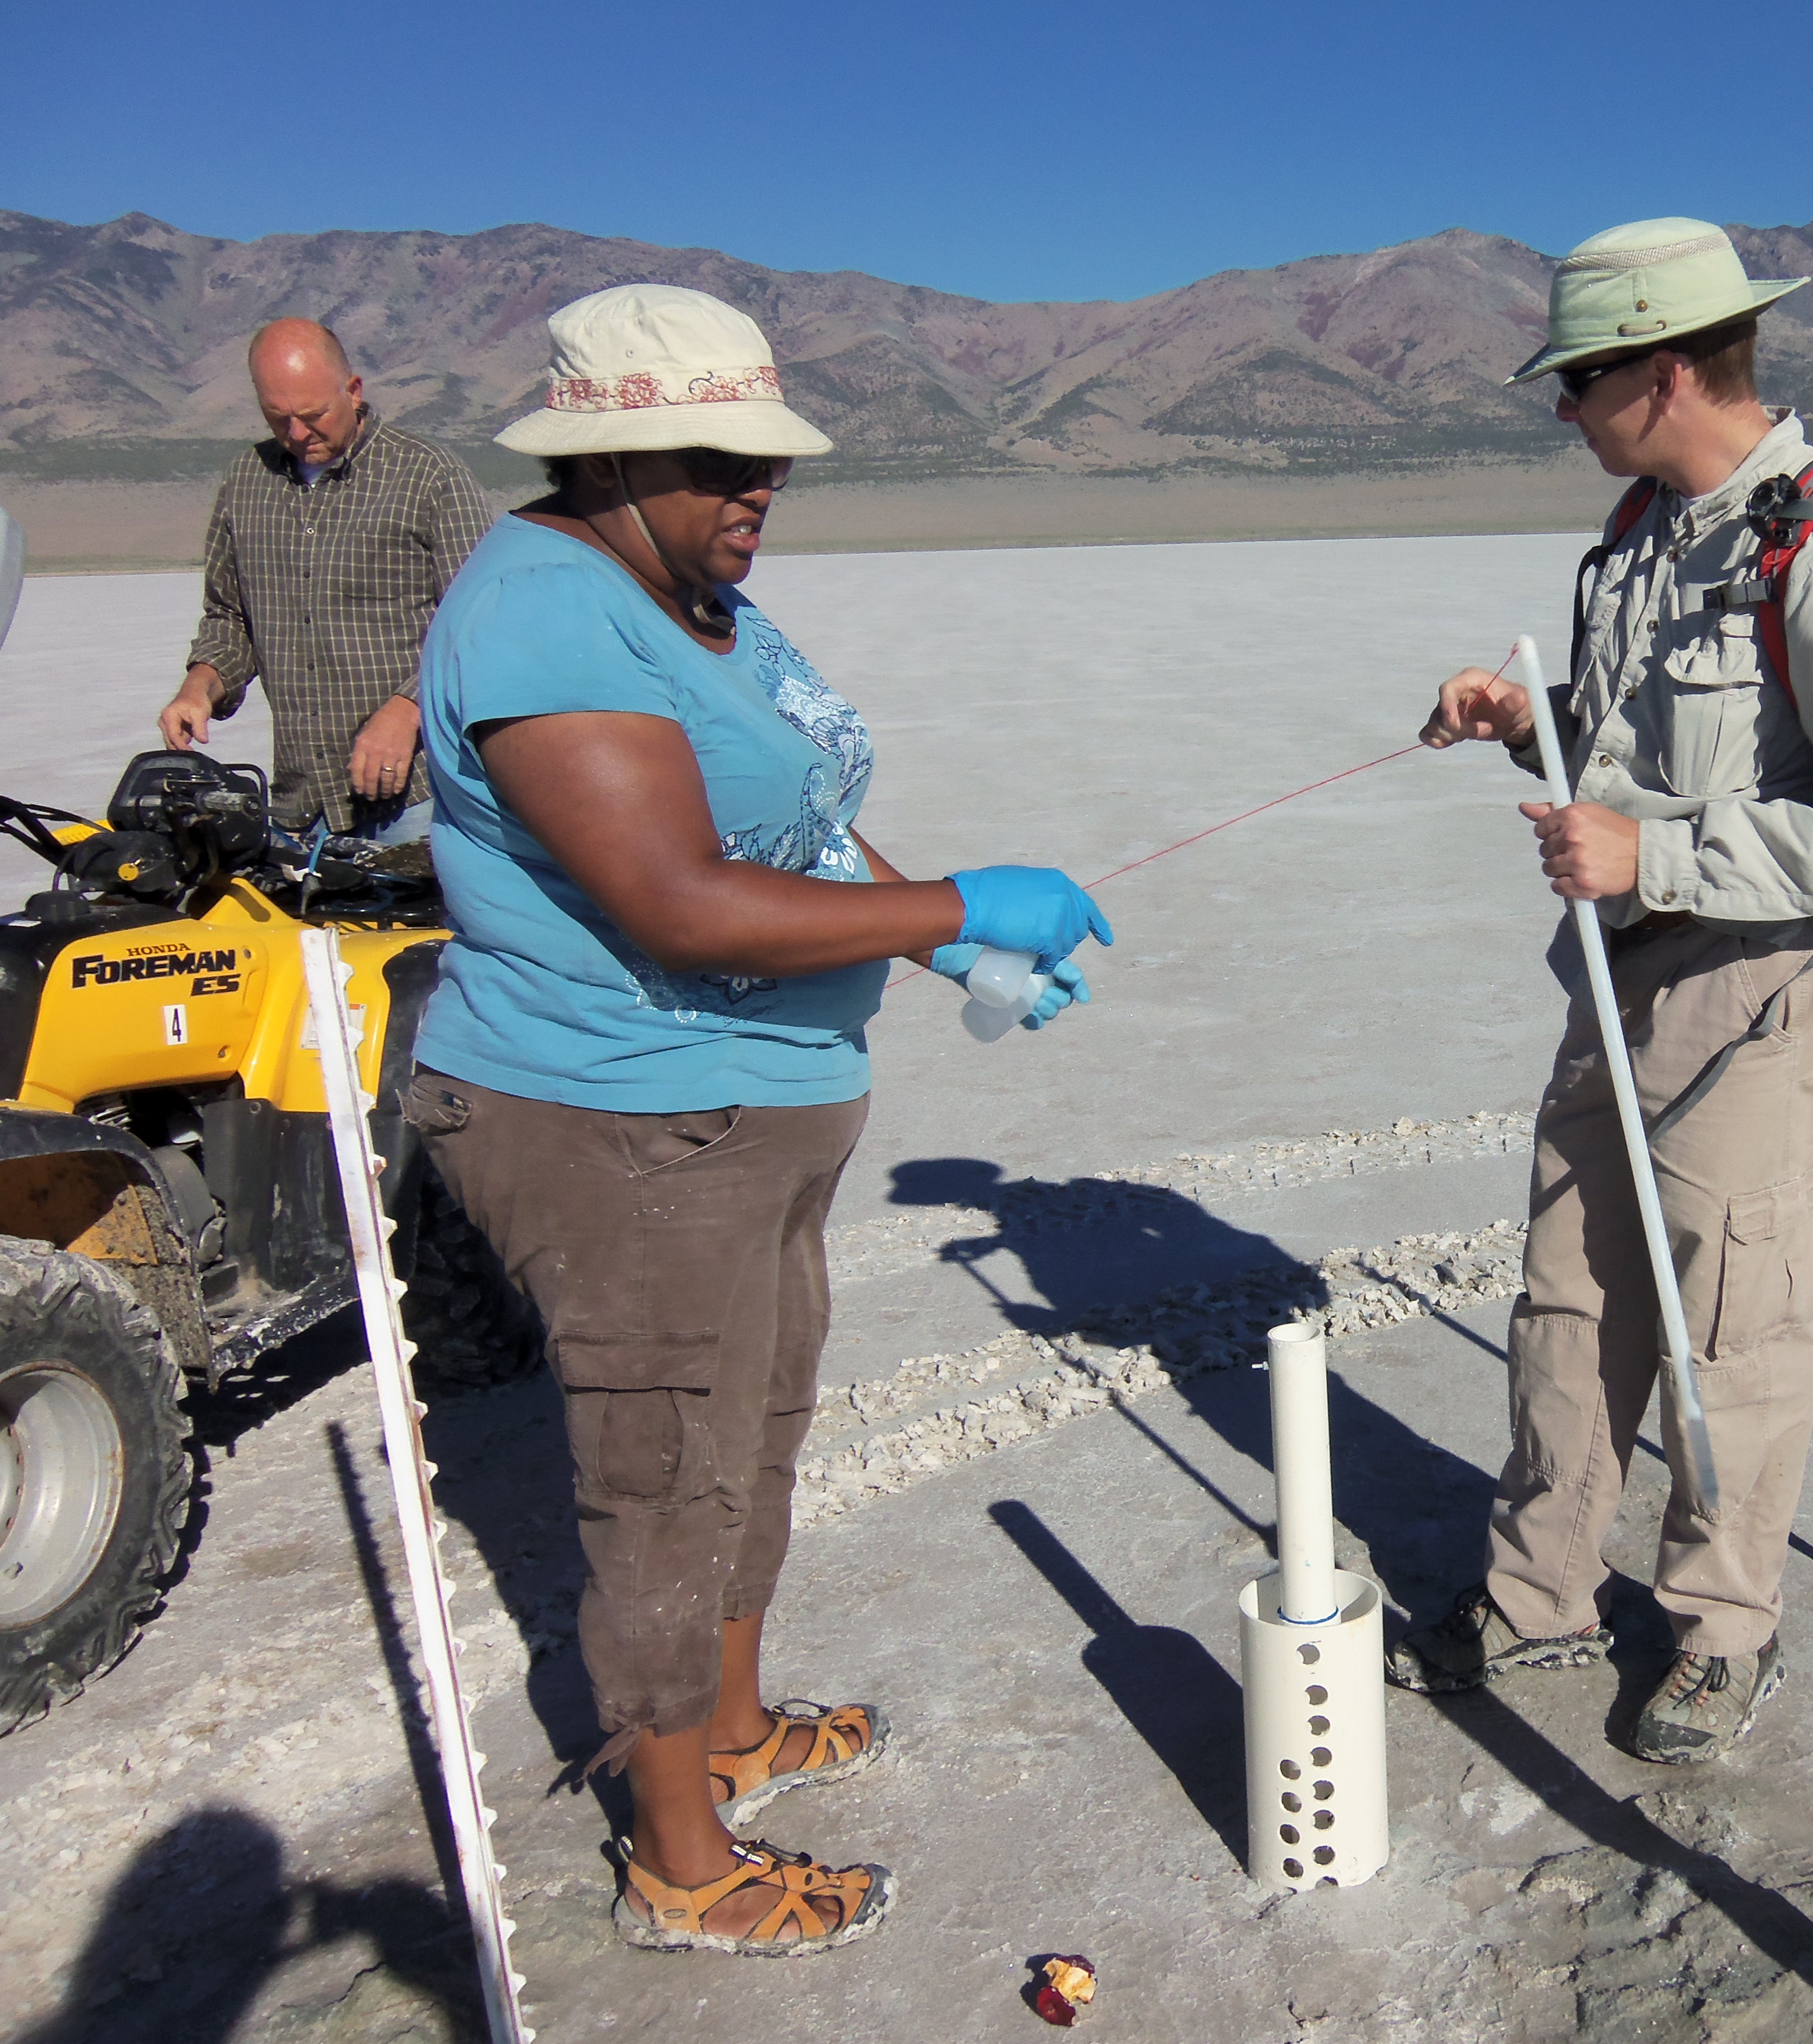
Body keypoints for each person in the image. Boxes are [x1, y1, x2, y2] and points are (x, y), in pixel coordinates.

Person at [402, 283, 1109, 1955]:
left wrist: (947, 937)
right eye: (720, 460)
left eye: (772, 461)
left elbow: (791, 825)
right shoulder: (546, 617)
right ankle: (678, 1861)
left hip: (757, 1117)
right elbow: (679, 902)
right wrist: (947, 908)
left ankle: (727, 1733)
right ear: (610, 456)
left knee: (750, 1445)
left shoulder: (702, 590)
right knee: (660, 1485)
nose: (757, 491)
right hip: (621, 1122)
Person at [1391, 219, 1813, 1764]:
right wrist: (1531, 726)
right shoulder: (1636, 539)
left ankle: (1722, 1629)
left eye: (1580, 379)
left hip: (1765, 983)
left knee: (1733, 1317)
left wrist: (1659, 852)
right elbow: (1639, 751)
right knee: (1571, 1292)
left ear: (1671, 369)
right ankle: (1537, 1594)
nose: (1562, 407)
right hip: (1621, 970)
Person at [157, 319, 493, 837]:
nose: (297, 434)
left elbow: (480, 625)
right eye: (278, 418)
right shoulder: (246, 481)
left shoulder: (429, 475)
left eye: (314, 415)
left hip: (418, 799)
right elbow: (229, 616)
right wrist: (200, 687)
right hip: (300, 803)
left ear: (353, 391)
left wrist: (407, 711)